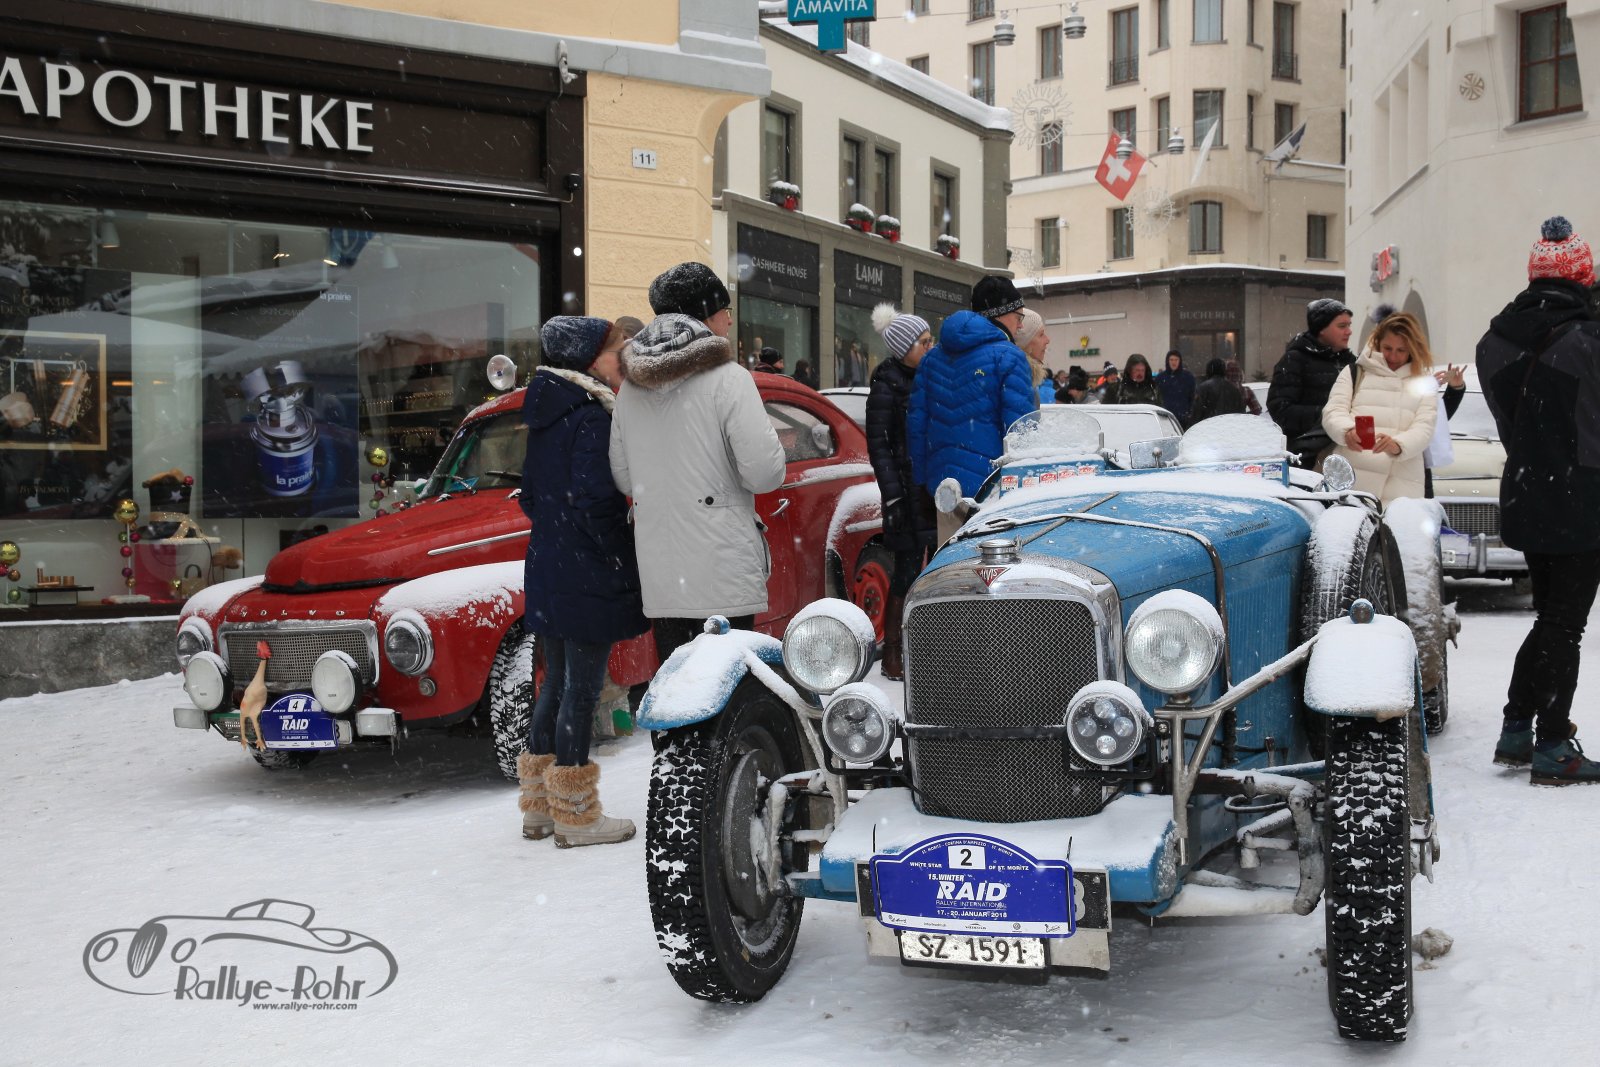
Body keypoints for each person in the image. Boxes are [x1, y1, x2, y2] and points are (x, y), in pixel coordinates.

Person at [609, 262, 786, 667]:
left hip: (661, 573)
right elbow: (765, 474)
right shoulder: (729, 378)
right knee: (726, 688)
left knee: (677, 685)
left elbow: (624, 478)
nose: (730, 319)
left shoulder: (630, 389)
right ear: (705, 315)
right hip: (722, 570)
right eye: (725, 309)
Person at [1477, 216, 1600, 784]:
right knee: (1564, 624)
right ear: (1582, 278)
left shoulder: (1494, 341)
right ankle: (1551, 744)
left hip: (1527, 490)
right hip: (1581, 496)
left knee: (1550, 617)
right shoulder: (1587, 340)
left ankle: (1515, 728)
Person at [516, 316, 648, 847]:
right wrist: (620, 554)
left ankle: (539, 808)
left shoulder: (547, 412)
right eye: (617, 350)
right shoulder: (591, 417)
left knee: (555, 684)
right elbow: (595, 502)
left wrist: (559, 532)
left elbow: (530, 496)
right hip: (586, 568)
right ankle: (576, 815)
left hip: (550, 563)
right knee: (582, 690)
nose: (624, 359)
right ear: (592, 360)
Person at [907, 274, 1037, 544]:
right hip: (991, 490)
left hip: (942, 490)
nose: (1021, 325)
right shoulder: (1009, 357)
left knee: (949, 561)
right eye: (1018, 316)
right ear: (1000, 314)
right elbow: (1021, 430)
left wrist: (921, 483)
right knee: (994, 561)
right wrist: (1027, 482)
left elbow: (916, 426)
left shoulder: (931, 359)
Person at [867, 304, 938, 680]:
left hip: (931, 490)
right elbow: (880, 447)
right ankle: (893, 651)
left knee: (938, 570)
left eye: (930, 340)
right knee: (907, 571)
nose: (930, 347)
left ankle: (929, 646)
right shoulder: (886, 385)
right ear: (903, 348)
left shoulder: (930, 377)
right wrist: (893, 497)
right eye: (923, 342)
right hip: (905, 496)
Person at [1319, 310, 1438, 504]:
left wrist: (1398, 445)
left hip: (1402, 483)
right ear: (1377, 343)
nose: (1393, 356)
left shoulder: (1424, 382)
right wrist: (1347, 431)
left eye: (1401, 350)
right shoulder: (1355, 372)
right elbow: (1333, 411)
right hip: (1352, 479)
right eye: (1387, 348)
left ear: (1413, 349)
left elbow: (1425, 428)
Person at [1268, 298, 1356, 468]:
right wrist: (1328, 416)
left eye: (1349, 325)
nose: (1349, 331)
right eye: (1341, 326)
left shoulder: (1352, 363)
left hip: (1348, 454)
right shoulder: (1295, 360)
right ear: (1321, 329)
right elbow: (1280, 409)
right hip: (1309, 458)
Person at [1190, 358, 1246, 424]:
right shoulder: (1234, 390)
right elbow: (1241, 414)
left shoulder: (1203, 389)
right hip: (1230, 426)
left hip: (1208, 426)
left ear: (1208, 370)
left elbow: (1196, 413)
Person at [1015, 308, 1053, 403]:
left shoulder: (1026, 377)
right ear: (1025, 343)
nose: (1047, 340)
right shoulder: (1017, 380)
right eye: (1041, 335)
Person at [1155, 349, 1196, 425]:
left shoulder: (1188, 377)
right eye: (1171, 360)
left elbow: (1192, 397)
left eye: (1176, 360)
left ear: (1180, 361)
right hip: (1164, 418)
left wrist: (1189, 413)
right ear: (1167, 361)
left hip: (1183, 418)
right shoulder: (1160, 378)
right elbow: (1156, 397)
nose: (1174, 362)